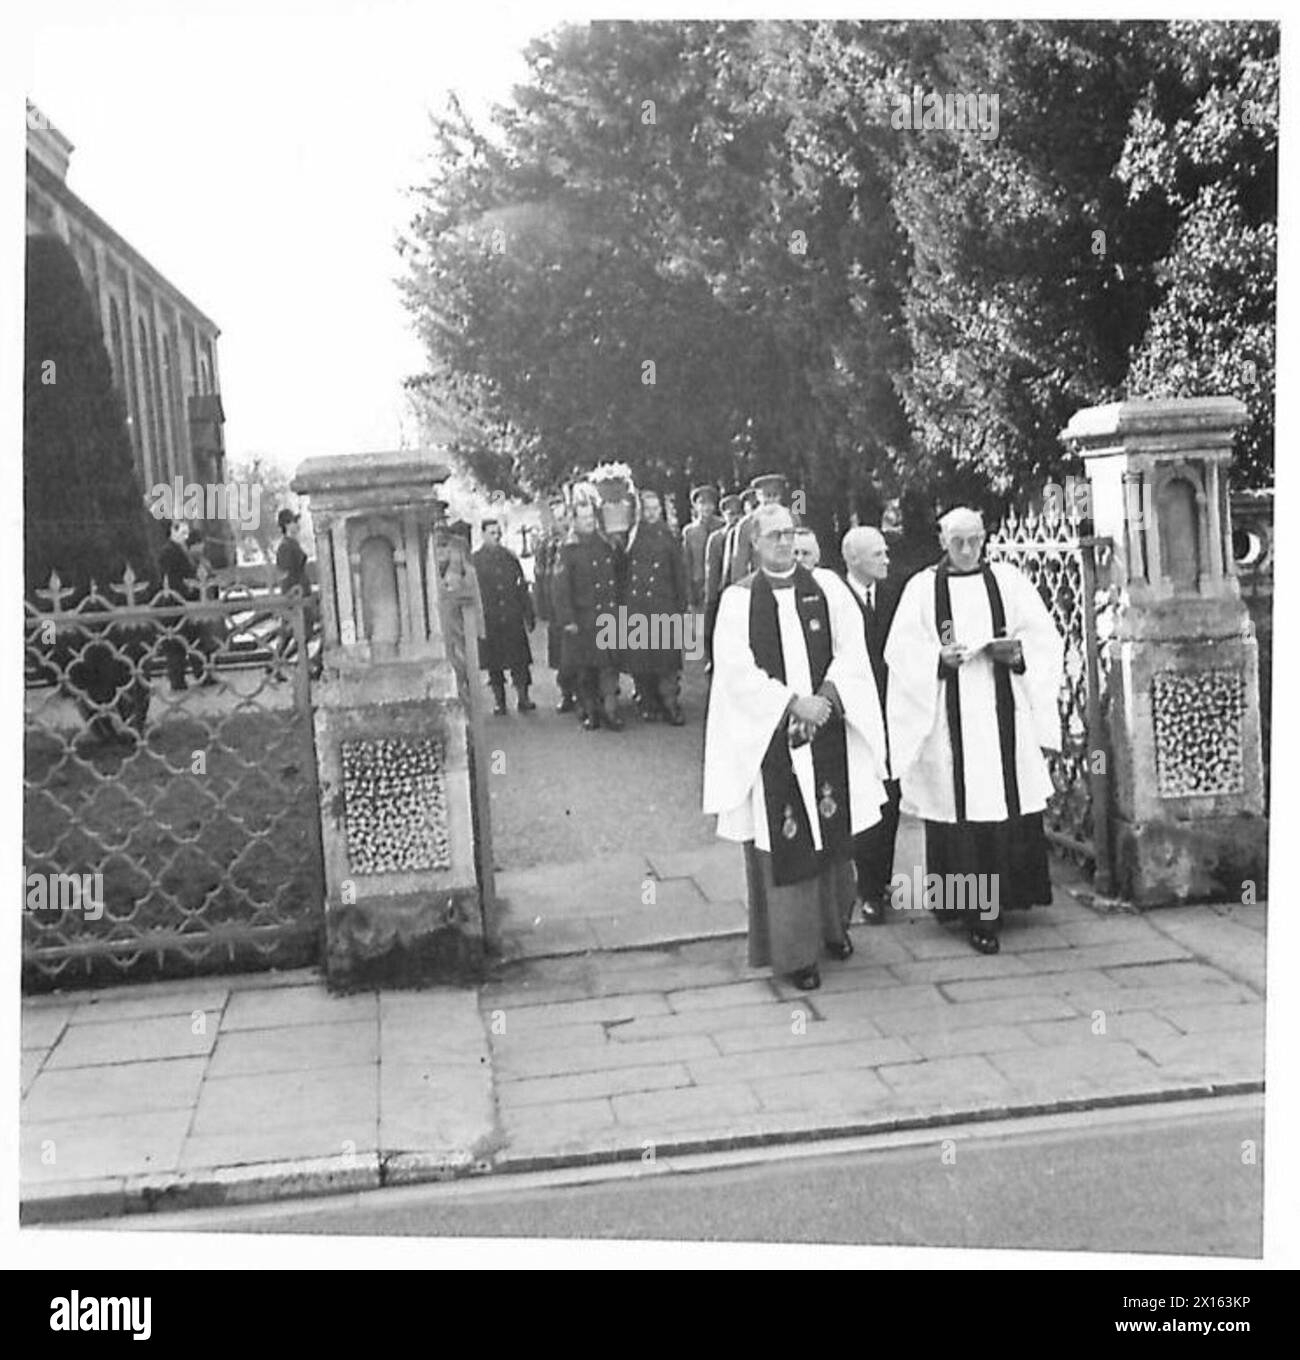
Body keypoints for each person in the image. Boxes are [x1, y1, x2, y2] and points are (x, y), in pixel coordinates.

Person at [703, 502, 889, 991]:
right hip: (775, 735)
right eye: (773, 537)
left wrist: (826, 699)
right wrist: (790, 704)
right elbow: (736, 672)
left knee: (832, 832)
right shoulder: (739, 601)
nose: (784, 544)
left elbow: (853, 652)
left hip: (826, 724)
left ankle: (834, 929)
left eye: (789, 534)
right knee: (789, 840)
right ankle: (795, 954)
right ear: (755, 545)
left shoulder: (828, 588)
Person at [885, 506, 1064, 954]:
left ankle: (1009, 899)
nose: (968, 550)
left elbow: (1045, 638)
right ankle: (970, 911)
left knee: (1005, 799)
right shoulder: (923, 588)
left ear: (985, 538)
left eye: (975, 541)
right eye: (958, 541)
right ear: (942, 540)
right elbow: (900, 651)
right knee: (961, 808)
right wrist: (936, 661)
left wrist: (1017, 654)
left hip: (1004, 711)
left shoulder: (1008, 581)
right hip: (950, 716)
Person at [841, 526, 901, 923]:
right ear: (854, 560)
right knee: (858, 797)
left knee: (890, 797)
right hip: (851, 715)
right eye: (877, 555)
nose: (886, 560)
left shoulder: (895, 594)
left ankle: (879, 883)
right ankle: (860, 888)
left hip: (891, 712)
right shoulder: (832, 595)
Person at [552, 500, 624, 731]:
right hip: (583, 618)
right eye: (583, 518)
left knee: (609, 667)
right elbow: (561, 588)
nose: (589, 521)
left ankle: (610, 711)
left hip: (608, 615)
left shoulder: (606, 544)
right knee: (586, 670)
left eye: (591, 516)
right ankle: (591, 712)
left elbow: (618, 575)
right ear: (574, 520)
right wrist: (568, 619)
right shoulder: (568, 549)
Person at [623, 488, 689, 724]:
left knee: (667, 660)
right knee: (641, 659)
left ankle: (670, 702)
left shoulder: (668, 537)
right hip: (638, 605)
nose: (651, 514)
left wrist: (682, 605)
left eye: (655, 509)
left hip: (664, 604)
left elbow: (679, 573)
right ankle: (647, 699)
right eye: (646, 509)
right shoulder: (631, 535)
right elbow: (623, 569)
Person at [472, 519, 536, 715]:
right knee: (494, 664)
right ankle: (500, 702)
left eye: (498, 533)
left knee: (520, 662)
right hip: (490, 619)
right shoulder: (475, 560)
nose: (496, 536)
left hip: (511, 616)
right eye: (492, 533)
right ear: (483, 534)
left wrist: (528, 613)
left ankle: (523, 698)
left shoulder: (509, 558)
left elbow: (521, 586)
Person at [534, 499, 580, 713]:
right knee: (561, 657)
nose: (561, 522)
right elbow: (540, 576)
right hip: (555, 610)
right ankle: (566, 693)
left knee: (579, 654)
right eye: (557, 518)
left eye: (564, 517)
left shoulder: (577, 543)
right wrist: (542, 608)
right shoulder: (546, 545)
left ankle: (584, 693)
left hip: (576, 606)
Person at [270, 507, 319, 681]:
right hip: (294, 593)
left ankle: (282, 663)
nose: (297, 525)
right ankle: (278, 663)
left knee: (299, 632)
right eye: (293, 521)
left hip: (300, 590)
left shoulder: (292, 543)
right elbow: (286, 574)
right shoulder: (285, 546)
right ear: (286, 524)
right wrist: (290, 594)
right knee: (295, 631)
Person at [157, 518, 202, 692]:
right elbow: (171, 578)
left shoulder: (179, 549)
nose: (185, 536)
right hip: (175, 604)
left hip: (184, 603)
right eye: (182, 532)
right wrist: (186, 588)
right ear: (173, 531)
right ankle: (178, 679)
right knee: (176, 644)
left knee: (189, 640)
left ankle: (196, 673)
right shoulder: (169, 551)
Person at [703, 491, 743, 666]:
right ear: (724, 514)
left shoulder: (744, 533)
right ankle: (710, 658)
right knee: (710, 626)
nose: (733, 518)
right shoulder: (716, 538)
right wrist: (711, 593)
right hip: (719, 588)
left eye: (737, 514)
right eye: (729, 514)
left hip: (736, 587)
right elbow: (711, 566)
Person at [727, 473, 790, 584]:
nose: (771, 500)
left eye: (775, 495)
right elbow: (739, 563)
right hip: (760, 584)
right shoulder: (747, 524)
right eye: (767, 496)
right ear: (758, 496)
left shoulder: (791, 518)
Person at [681, 485, 721, 612]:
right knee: (696, 627)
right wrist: (688, 593)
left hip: (719, 583)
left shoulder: (723, 527)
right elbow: (687, 563)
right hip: (698, 585)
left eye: (710, 503)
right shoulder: (690, 531)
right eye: (702, 503)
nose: (706, 508)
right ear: (695, 506)